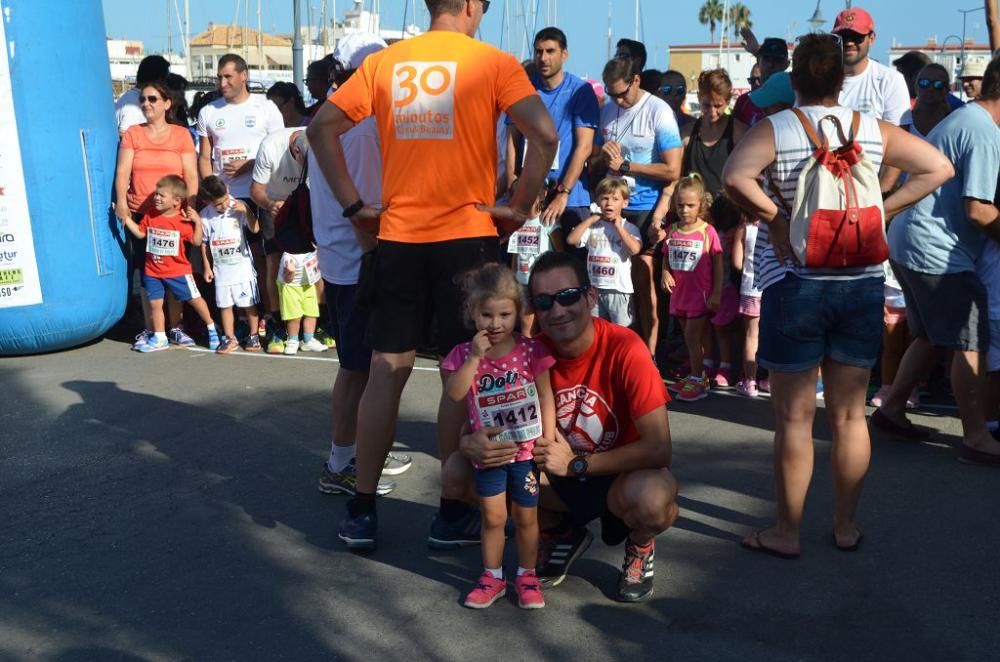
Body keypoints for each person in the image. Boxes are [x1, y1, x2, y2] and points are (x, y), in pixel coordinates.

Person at [307, 0, 557, 552]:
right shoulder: (492, 63)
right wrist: (518, 205)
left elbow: (322, 129)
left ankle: (363, 508)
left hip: (397, 237)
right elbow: (543, 137)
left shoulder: (385, 64)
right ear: (471, 6)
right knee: (461, 369)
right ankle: (450, 511)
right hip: (467, 237)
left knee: (385, 370)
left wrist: (354, 207)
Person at [722, 33, 954, 557]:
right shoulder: (870, 129)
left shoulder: (778, 127)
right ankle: (845, 526)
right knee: (850, 415)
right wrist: (887, 208)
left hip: (796, 282)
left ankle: (786, 530)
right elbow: (939, 167)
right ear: (841, 78)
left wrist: (776, 218)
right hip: (861, 282)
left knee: (794, 419)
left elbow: (736, 176)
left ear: (794, 78)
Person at [450, 251, 678, 603]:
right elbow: (475, 419)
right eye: (544, 302)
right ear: (533, 311)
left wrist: (577, 464)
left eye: (568, 296)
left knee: (653, 498)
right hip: (551, 472)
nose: (557, 311)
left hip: (614, 474)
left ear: (591, 296)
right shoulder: (526, 353)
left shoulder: (625, 347)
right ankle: (559, 529)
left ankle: (640, 543)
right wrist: (469, 443)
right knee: (459, 472)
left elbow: (660, 448)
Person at [875, 57, 1000, 466]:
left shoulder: (966, 119)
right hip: (935, 250)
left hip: (909, 241)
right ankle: (977, 437)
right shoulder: (983, 132)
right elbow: (979, 211)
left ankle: (892, 409)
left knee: (929, 335)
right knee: (970, 338)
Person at [442, 264, 555, 610]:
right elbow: (455, 394)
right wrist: (475, 358)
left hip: (525, 453)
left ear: (518, 312)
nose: (495, 323)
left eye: (504, 314)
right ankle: (492, 576)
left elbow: (546, 396)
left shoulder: (530, 351)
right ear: (471, 313)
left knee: (527, 518)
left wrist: (547, 444)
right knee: (493, 518)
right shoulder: (463, 354)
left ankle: (527, 574)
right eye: (486, 314)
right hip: (489, 454)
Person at [592, 56, 683, 358]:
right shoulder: (607, 112)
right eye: (611, 93)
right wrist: (602, 158)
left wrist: (628, 166)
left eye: (621, 93)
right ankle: (612, 349)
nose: (617, 99)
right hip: (611, 204)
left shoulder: (659, 111)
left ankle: (648, 354)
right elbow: (593, 162)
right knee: (608, 281)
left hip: (645, 206)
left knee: (643, 281)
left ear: (636, 80)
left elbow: (672, 170)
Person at [197, 54, 285, 325]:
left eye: (228, 76)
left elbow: (279, 148)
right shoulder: (209, 112)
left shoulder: (265, 107)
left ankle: (271, 317)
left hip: (261, 192)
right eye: (219, 77)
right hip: (228, 197)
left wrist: (250, 165)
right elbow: (204, 156)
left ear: (243, 75)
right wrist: (211, 193)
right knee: (230, 259)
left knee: (266, 258)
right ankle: (241, 320)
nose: (222, 82)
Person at [113, 79, 199, 351]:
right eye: (144, 99)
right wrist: (121, 202)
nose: (146, 104)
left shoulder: (181, 135)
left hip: (174, 216)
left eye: (152, 99)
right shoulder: (132, 134)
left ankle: (175, 327)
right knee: (148, 274)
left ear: (167, 104)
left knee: (174, 272)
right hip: (141, 214)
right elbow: (123, 172)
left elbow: (191, 175)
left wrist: (191, 205)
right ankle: (151, 328)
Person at [506, 27, 599, 264]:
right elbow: (513, 139)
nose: (544, 58)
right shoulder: (522, 88)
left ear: (564, 54)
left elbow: (584, 147)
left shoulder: (580, 90)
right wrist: (511, 183)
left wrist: (563, 193)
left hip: (570, 199)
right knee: (524, 270)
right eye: (539, 52)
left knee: (571, 270)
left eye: (550, 51)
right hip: (529, 197)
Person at [119, 176, 220, 353]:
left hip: (178, 272)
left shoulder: (182, 221)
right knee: (155, 305)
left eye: (161, 195)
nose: (156, 198)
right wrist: (126, 219)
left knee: (195, 301)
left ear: (176, 201)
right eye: (156, 194)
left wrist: (197, 222)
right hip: (153, 272)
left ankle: (212, 327)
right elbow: (141, 234)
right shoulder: (150, 215)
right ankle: (159, 337)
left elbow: (196, 242)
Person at [662, 174, 723, 402]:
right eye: (680, 205)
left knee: (692, 338)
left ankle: (698, 379)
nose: (685, 210)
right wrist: (665, 273)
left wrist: (716, 293)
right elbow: (666, 258)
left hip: (700, 296)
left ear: (701, 205)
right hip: (679, 295)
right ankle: (696, 375)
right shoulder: (673, 230)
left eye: (690, 205)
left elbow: (718, 266)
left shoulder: (708, 232)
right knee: (690, 339)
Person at [250, 124, 308, 352]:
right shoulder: (271, 146)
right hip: (273, 199)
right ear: (294, 150)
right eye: (301, 161)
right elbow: (256, 190)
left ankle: (317, 324)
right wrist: (271, 205)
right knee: (274, 262)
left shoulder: (320, 139)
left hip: (305, 200)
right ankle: (276, 323)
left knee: (317, 260)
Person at [197, 176, 262, 354]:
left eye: (225, 199)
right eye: (218, 204)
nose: (224, 205)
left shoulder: (238, 207)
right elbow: (204, 243)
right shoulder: (205, 216)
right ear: (207, 202)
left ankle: (254, 334)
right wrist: (207, 266)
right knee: (224, 305)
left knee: (248, 303)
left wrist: (246, 211)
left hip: (242, 268)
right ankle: (229, 336)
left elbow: (255, 229)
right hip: (221, 270)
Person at [565, 177, 641, 327]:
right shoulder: (593, 227)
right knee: (598, 329)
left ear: (624, 203)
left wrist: (619, 228)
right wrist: (590, 220)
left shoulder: (629, 228)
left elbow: (634, 249)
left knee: (622, 331)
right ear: (598, 201)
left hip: (618, 289)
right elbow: (571, 240)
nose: (609, 203)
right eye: (605, 198)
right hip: (595, 289)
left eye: (615, 199)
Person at [832, 7, 909, 126]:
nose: (849, 43)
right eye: (843, 37)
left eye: (857, 37)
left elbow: (900, 136)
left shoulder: (890, 80)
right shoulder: (819, 78)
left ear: (871, 39)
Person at [508, 183, 564, 334]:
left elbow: (560, 253)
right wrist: (513, 278)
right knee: (526, 321)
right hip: (523, 283)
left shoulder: (548, 221)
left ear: (543, 194)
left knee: (547, 321)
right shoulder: (515, 223)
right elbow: (515, 253)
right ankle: (528, 354)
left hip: (545, 283)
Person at [732, 214, 763, 397]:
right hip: (773, 285)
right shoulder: (776, 224)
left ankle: (750, 381)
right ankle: (773, 379)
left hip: (751, 287)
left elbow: (737, 263)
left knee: (752, 336)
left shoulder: (745, 228)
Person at [733, 36, 789, 126]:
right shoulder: (745, 101)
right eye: (766, 59)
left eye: (777, 60)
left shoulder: (794, 97)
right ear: (759, 62)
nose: (771, 64)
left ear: (787, 64)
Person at [115, 55, 170, 134]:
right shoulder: (134, 106)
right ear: (158, 80)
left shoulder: (132, 98)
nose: (167, 85)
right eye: (166, 80)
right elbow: (125, 135)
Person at [658, 70, 694, 143]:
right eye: (667, 89)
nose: (673, 94)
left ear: (684, 94)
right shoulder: (649, 122)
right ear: (659, 92)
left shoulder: (694, 125)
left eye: (679, 89)